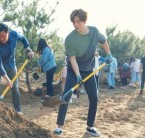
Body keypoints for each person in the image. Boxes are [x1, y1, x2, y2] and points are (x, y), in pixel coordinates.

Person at [54, 9, 113, 137]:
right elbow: (72, 59)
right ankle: (59, 127)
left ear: (84, 21)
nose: (75, 25)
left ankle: (90, 127)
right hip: (73, 70)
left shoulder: (94, 32)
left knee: (94, 98)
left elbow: (104, 41)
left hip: (88, 69)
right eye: (73, 22)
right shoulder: (70, 38)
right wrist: (78, 75)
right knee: (66, 96)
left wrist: (109, 54)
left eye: (78, 22)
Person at [0, 23, 34, 114]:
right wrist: (7, 79)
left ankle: (18, 110)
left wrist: (28, 50)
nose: (1, 39)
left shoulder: (14, 34)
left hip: (11, 63)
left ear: (8, 32)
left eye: (3, 36)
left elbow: (23, 39)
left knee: (15, 87)